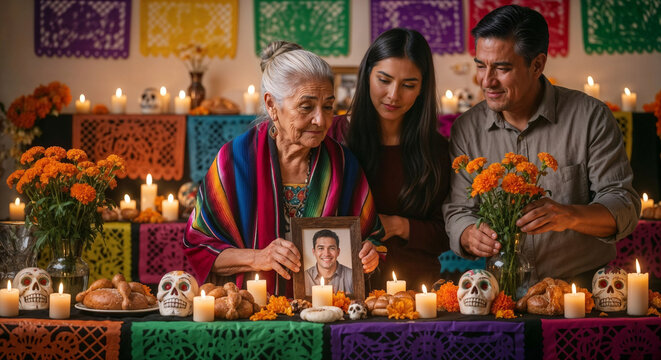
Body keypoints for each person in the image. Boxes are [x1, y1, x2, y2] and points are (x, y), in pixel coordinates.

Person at [443, 5, 640, 289]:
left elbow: (623, 205)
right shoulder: (466, 128)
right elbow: (457, 210)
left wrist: (569, 215)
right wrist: (468, 233)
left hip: (580, 289)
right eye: (481, 65)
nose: (486, 81)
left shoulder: (590, 117)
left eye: (502, 68)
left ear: (537, 65)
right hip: (501, 291)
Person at [183, 41, 383, 296]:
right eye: (306, 106)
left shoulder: (343, 164)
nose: (321, 120)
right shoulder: (234, 162)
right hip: (250, 314)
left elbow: (373, 237)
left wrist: (370, 253)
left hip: (326, 315)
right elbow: (199, 246)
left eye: (328, 106)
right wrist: (259, 257)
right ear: (271, 105)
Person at [329, 28, 450, 289]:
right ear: (366, 76)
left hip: (418, 291)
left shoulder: (436, 149)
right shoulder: (333, 136)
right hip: (343, 291)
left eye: (408, 85)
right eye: (384, 80)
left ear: (422, 89)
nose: (394, 95)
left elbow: (448, 234)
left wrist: (397, 225)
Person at [304, 229, 353, 295]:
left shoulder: (352, 276)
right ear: (314, 252)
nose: (326, 254)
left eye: (331, 248)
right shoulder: (304, 277)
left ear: (338, 252)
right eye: (321, 248)